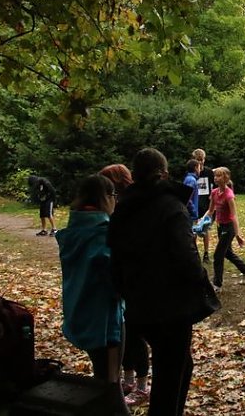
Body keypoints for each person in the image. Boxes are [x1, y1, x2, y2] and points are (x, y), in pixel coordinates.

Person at [108, 148, 219, 416]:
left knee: (181, 365)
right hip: (170, 306)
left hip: (138, 302)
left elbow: (114, 253)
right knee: (169, 375)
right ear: (164, 173)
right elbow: (186, 256)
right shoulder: (170, 206)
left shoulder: (123, 207)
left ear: (135, 174)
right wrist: (200, 281)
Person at [55, 174, 126, 411]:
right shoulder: (103, 233)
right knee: (110, 381)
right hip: (104, 320)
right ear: (106, 197)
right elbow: (114, 279)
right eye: (114, 195)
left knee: (102, 376)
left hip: (78, 311)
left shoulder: (73, 231)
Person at [99, 164, 151, 407]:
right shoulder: (117, 205)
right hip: (122, 277)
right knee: (123, 333)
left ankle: (142, 385)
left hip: (137, 279)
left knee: (135, 332)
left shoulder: (134, 204)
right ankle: (128, 379)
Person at [203, 167, 245, 288]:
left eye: (219, 176)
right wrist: (201, 221)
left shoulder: (229, 195)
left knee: (218, 255)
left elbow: (234, 215)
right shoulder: (214, 192)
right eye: (215, 176)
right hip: (220, 226)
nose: (216, 178)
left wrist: (237, 234)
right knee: (227, 252)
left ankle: (217, 285)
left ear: (226, 178)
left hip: (229, 228)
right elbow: (210, 211)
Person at [191, 149, 215, 264]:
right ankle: (194, 253)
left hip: (206, 204)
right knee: (194, 230)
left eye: (202, 160)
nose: (200, 162)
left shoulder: (209, 172)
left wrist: (212, 196)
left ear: (204, 159)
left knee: (205, 229)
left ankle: (206, 254)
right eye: (198, 160)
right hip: (195, 205)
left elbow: (214, 185)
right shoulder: (191, 173)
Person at [183, 159, 200, 224]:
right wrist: (194, 212)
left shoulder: (188, 178)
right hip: (190, 216)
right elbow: (187, 197)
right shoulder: (191, 180)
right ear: (196, 168)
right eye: (199, 168)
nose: (200, 170)